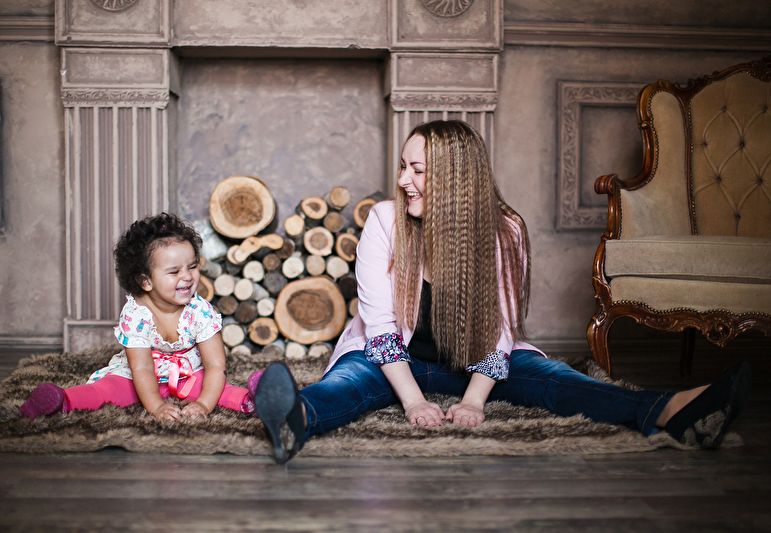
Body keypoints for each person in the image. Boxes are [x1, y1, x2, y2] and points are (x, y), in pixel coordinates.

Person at [254, 119, 752, 464]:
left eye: (417, 170)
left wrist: (474, 401)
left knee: (554, 379)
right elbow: (381, 328)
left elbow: (500, 330)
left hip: (473, 363)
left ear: (454, 178)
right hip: (393, 362)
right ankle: (296, 417)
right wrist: (413, 403)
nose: (403, 180)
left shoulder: (504, 231)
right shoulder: (385, 221)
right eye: (403, 167)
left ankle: (669, 410)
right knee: (348, 383)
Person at [20, 213, 261, 421]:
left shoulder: (200, 311)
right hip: (140, 376)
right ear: (146, 281)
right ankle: (60, 401)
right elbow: (142, 367)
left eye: (192, 266)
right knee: (107, 390)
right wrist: (156, 407)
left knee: (217, 388)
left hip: (187, 374)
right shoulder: (136, 314)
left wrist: (204, 405)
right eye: (174, 271)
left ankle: (256, 399)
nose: (187, 277)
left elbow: (216, 365)